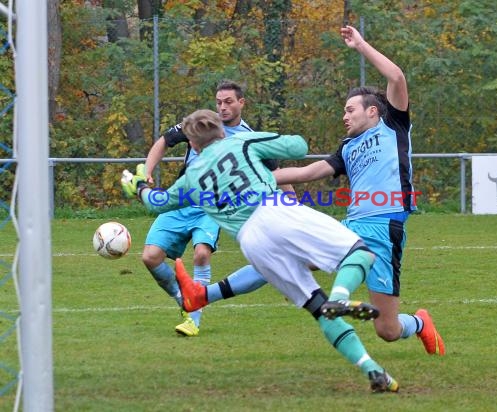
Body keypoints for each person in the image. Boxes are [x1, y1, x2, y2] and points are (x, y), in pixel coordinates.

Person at [161, 25, 446, 358]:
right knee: (281, 256)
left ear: (372, 110)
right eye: (343, 111)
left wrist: (361, 45)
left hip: (386, 226)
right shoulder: (348, 147)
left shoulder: (392, 124)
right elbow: (310, 172)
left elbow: (396, 78)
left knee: (388, 330)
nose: (344, 116)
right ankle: (204, 294)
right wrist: (259, 180)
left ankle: (420, 323)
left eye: (349, 109)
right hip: (354, 225)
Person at [122, 109, 400, 393]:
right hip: (276, 211)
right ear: (221, 131)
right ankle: (340, 297)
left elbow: (157, 202)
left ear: (192, 145)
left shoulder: (192, 176)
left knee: (317, 307)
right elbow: (298, 146)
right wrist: (264, 143)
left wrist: (139, 185)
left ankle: (373, 370)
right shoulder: (241, 141)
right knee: (360, 253)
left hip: (251, 241)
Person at [141, 80, 280, 337]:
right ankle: (183, 297)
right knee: (150, 257)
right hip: (180, 201)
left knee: (201, 254)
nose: (223, 107)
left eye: (228, 102)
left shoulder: (250, 138)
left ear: (241, 103)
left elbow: (277, 173)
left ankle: (193, 318)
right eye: (219, 102)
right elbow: (164, 140)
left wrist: (286, 203)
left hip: (211, 207)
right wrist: (147, 171)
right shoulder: (202, 124)